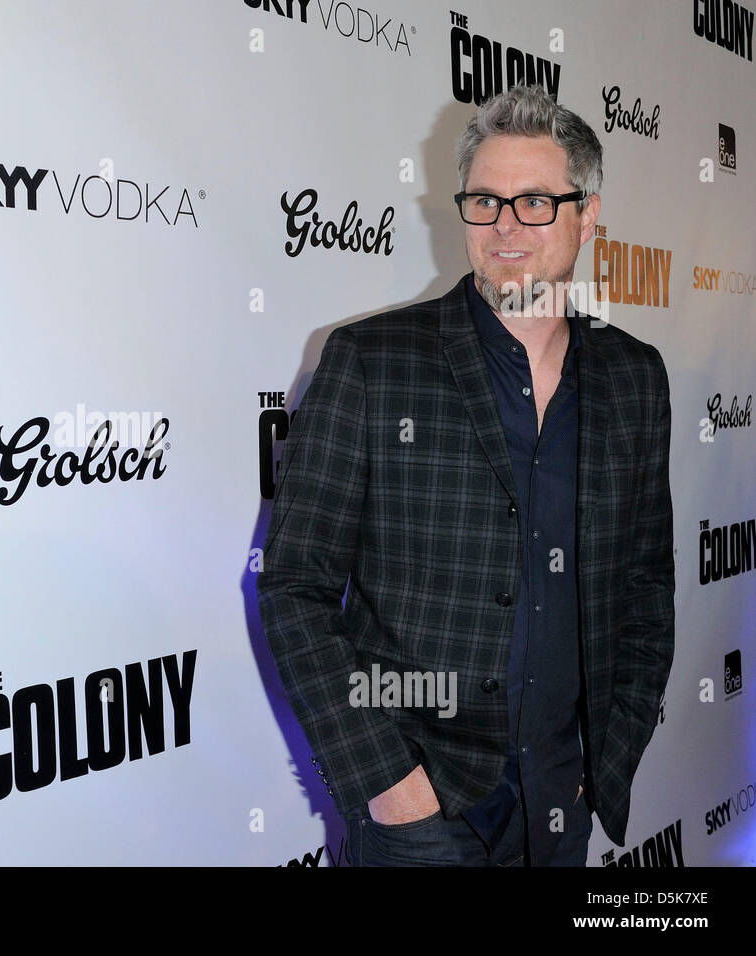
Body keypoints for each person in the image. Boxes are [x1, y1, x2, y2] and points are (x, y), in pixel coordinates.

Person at [257, 84, 674, 866]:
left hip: (563, 801)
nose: (506, 226)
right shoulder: (372, 363)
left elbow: (648, 586)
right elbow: (294, 590)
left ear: (587, 215)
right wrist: (390, 784)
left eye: (535, 202)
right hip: (421, 812)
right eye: (485, 201)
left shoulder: (635, 376)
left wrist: (606, 760)